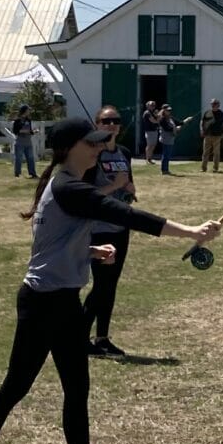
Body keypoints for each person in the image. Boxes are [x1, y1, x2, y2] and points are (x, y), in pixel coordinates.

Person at [0, 116, 222, 444]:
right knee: (16, 386)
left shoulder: (63, 185)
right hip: (43, 302)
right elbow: (125, 215)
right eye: (93, 143)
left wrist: (90, 250)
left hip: (63, 301)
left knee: (77, 387)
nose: (99, 148)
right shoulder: (67, 186)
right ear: (70, 149)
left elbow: (51, 241)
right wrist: (191, 231)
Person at [82, 105, 135, 358]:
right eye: (106, 121)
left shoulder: (123, 153)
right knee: (101, 285)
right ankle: (79, 337)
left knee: (111, 285)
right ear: (97, 124)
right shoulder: (93, 156)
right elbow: (85, 196)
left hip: (121, 225)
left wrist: (129, 191)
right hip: (99, 228)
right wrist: (114, 185)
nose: (111, 124)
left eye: (116, 120)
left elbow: (128, 184)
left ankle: (102, 337)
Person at [158, 105, 192, 175]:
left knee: (168, 155)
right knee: (166, 155)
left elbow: (180, 123)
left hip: (170, 139)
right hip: (165, 139)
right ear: (163, 110)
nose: (169, 112)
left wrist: (187, 120)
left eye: (170, 110)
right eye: (168, 110)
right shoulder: (162, 119)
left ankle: (165, 169)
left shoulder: (170, 118)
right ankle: (164, 170)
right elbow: (167, 128)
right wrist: (176, 129)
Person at [200, 98, 223, 172]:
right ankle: (203, 168)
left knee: (216, 153)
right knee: (205, 152)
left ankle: (215, 168)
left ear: (218, 105)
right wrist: (202, 130)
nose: (213, 105)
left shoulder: (222, 114)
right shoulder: (207, 112)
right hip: (207, 135)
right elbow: (202, 121)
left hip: (217, 136)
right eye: (212, 104)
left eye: (215, 104)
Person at [12, 104, 38, 179]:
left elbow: (29, 131)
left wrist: (34, 131)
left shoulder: (28, 120)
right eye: (28, 110)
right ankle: (17, 174)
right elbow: (15, 131)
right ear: (24, 111)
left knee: (31, 158)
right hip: (20, 142)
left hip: (28, 142)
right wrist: (23, 131)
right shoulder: (17, 120)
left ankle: (32, 173)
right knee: (19, 158)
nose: (29, 111)